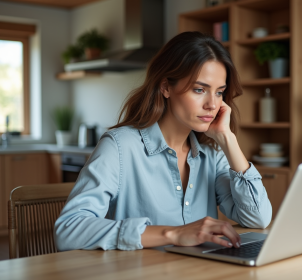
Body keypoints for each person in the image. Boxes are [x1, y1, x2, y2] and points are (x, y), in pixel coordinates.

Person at [54, 31, 272, 251]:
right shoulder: (119, 147)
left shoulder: (212, 153)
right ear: (166, 87)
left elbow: (258, 218)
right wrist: (172, 234)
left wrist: (228, 139)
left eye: (219, 93)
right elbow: (68, 230)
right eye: (199, 90)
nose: (212, 105)